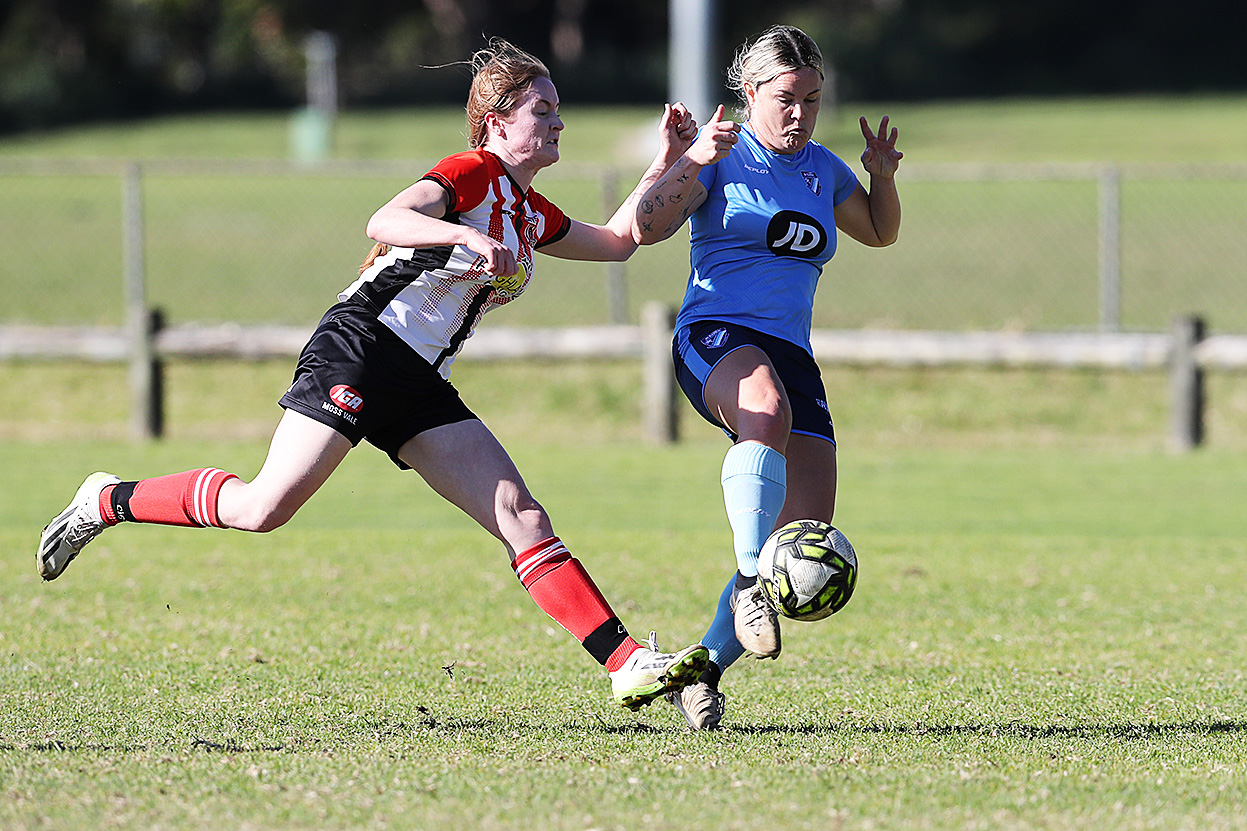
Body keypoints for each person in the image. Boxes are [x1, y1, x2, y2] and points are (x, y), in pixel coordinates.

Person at [37, 39, 710, 712]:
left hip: (418, 380)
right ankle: (106, 498)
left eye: (557, 108)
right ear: (497, 123)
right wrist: (461, 236)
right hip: (360, 346)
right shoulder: (471, 171)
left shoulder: (529, 212)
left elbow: (620, 241)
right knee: (261, 508)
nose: (558, 121)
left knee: (520, 515)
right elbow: (385, 219)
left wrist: (669, 158)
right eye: (542, 109)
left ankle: (627, 663)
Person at [632, 25, 903, 729]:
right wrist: (686, 161)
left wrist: (882, 174)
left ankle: (700, 671)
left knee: (806, 529)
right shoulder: (722, 155)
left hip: (791, 353)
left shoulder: (822, 168)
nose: (799, 114)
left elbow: (878, 232)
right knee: (762, 406)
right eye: (785, 98)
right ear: (749, 92)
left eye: (812, 100)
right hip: (715, 336)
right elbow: (645, 226)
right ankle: (750, 578)